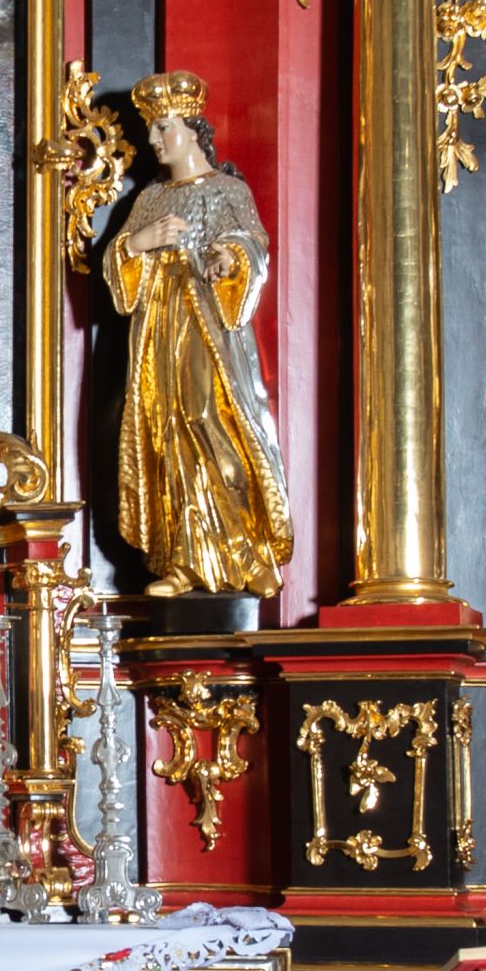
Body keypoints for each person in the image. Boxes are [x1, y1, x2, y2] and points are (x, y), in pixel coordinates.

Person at [103, 76, 292, 595]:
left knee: (212, 420)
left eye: (163, 127)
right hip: (158, 332)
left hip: (208, 328)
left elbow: (252, 243)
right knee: (168, 435)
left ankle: (248, 552)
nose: (154, 140)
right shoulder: (150, 199)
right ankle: (183, 563)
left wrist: (229, 257)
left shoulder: (228, 190)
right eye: (152, 130)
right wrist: (139, 242)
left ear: (192, 130)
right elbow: (119, 265)